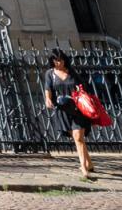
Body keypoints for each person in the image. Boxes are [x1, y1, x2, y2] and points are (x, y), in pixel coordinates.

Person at [44, 48, 94, 176]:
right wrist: (48, 99)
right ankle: (89, 163)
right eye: (56, 61)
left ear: (65, 60)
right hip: (63, 110)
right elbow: (48, 88)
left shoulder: (72, 72)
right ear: (52, 61)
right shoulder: (50, 74)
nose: (59, 63)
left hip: (77, 109)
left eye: (61, 60)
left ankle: (83, 167)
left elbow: (83, 87)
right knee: (78, 138)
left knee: (78, 137)